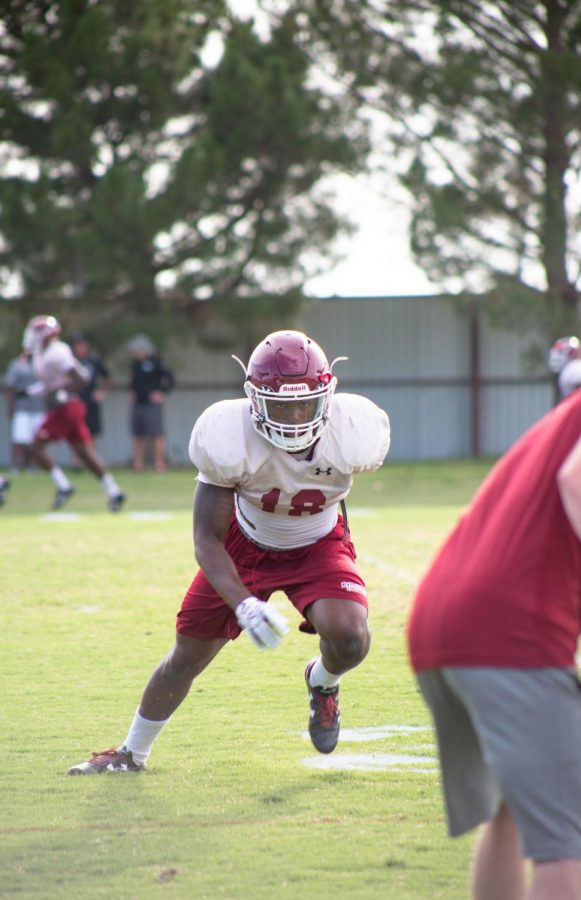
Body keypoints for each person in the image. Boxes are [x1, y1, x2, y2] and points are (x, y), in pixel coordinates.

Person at [67, 329, 391, 775]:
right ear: (254, 399)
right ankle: (132, 752)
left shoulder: (354, 430)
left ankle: (323, 683)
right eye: (280, 405)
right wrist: (243, 604)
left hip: (318, 542)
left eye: (304, 404)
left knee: (352, 638)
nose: (295, 417)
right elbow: (206, 539)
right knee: (186, 657)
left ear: (327, 397)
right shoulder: (227, 434)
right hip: (243, 545)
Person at [406, 376, 581, 899]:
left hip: (440, 623)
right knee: (571, 850)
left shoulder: (568, 414)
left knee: (511, 812)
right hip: (509, 634)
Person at [22, 315, 126, 513]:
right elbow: (48, 385)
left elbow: (81, 378)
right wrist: (30, 391)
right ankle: (114, 491)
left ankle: (63, 486)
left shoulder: (56, 352)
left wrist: (62, 391)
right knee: (84, 453)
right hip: (66, 407)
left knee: (35, 447)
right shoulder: (41, 354)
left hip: (67, 407)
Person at [127, 334, 174, 473]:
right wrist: (131, 392)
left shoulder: (156, 362)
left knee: (156, 434)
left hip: (152, 405)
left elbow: (170, 379)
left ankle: (159, 464)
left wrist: (162, 393)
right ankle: (138, 465)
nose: (135, 353)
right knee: (138, 435)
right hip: (138, 404)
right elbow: (134, 382)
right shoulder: (135, 364)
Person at [4, 348, 46, 472]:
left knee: (37, 439)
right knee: (19, 438)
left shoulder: (41, 363)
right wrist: (10, 407)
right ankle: (15, 466)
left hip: (38, 407)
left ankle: (33, 465)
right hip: (21, 407)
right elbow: (10, 387)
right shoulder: (16, 365)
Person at [70, 331, 112, 449]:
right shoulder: (71, 361)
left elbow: (108, 378)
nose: (80, 348)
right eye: (77, 345)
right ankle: (77, 462)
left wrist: (101, 392)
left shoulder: (94, 361)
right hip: (76, 400)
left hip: (91, 401)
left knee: (92, 432)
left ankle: (92, 458)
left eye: (82, 344)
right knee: (76, 432)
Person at [547, 335, 581, 400]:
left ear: (569, 353)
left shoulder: (575, 368)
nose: (555, 357)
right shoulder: (571, 368)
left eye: (560, 352)